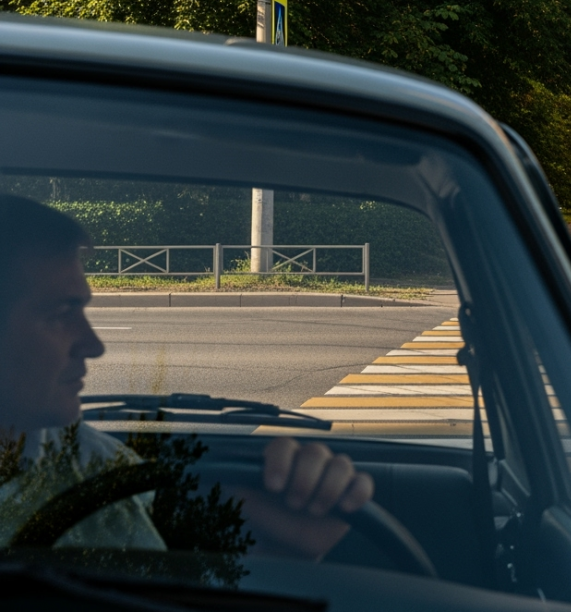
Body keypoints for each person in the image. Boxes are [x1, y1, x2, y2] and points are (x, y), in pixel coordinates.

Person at [0, 194, 372, 558]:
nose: (94, 345)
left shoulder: (86, 458)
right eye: (61, 313)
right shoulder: (87, 464)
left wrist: (271, 556)